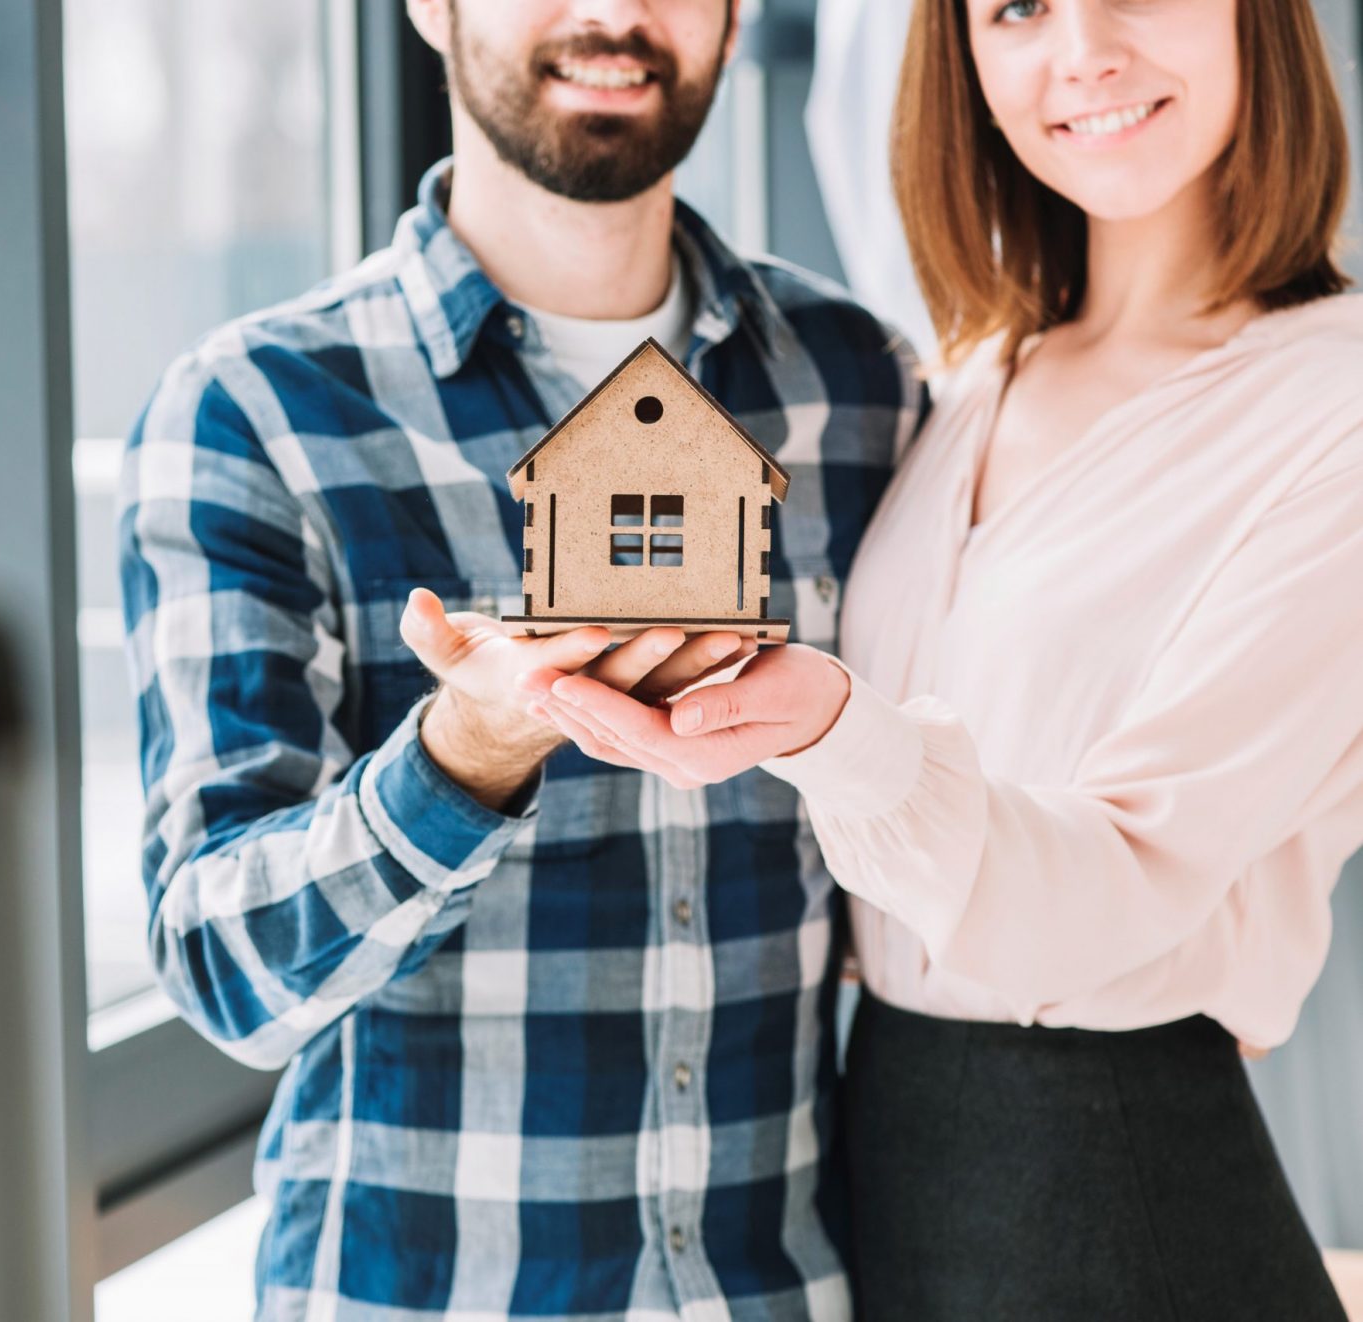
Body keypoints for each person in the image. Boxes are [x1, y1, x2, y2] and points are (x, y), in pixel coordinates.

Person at [518, 0, 1361, 1317]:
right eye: (1014, 6)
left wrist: (829, 730)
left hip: (1118, 1194)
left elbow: (1117, 880)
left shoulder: (1336, 414)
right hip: (895, 1166)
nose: (1083, 46)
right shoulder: (972, 378)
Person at [119, 0, 921, 1314]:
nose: (614, 13)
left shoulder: (861, 390)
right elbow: (226, 972)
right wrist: (459, 758)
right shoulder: (257, 412)